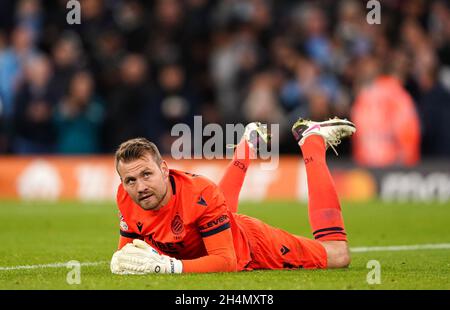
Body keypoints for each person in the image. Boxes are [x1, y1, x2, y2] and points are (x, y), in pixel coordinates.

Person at [110, 117, 356, 274]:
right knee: (217, 206)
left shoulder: (198, 194)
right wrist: (119, 262)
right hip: (210, 223)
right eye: (130, 180)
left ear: (164, 169)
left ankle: (311, 140)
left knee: (338, 255)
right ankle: (249, 143)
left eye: (146, 174)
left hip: (251, 245)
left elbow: (225, 262)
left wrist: (170, 266)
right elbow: (125, 255)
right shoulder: (126, 197)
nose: (139, 186)